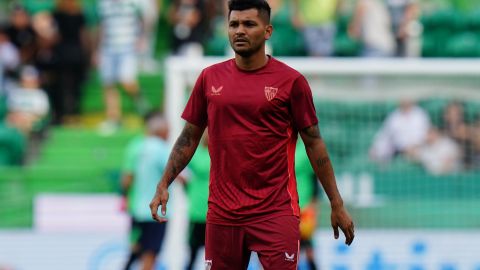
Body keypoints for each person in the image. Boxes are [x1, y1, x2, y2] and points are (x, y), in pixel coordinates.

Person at [149, 1, 354, 269]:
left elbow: (314, 144)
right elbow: (188, 137)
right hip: (223, 214)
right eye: (233, 24)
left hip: (276, 212)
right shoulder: (209, 78)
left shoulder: (291, 82)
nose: (239, 31)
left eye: (249, 24)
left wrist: (336, 203)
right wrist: (165, 182)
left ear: (267, 31)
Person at [121, 111, 170, 270]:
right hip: (156, 212)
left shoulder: (135, 146)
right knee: (151, 253)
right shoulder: (162, 149)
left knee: (135, 250)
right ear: (160, 130)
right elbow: (182, 175)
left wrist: (127, 198)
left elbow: (126, 180)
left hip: (136, 210)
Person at [96, 0, 149, 134]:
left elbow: (142, 21)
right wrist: (97, 49)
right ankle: (114, 119)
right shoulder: (103, 4)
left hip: (128, 47)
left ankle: (141, 104)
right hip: (108, 48)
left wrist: (142, 38)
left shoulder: (133, 3)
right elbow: (102, 26)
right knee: (108, 84)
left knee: (127, 80)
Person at [185, 132, 210, 270]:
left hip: (216, 212)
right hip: (197, 211)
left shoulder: (219, 153)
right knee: (193, 254)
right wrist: (188, 187)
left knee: (213, 255)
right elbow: (179, 172)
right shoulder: (195, 154)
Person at [295, 140, 320, 270]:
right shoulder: (280, 146)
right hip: (286, 207)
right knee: (292, 249)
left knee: (308, 247)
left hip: (305, 206)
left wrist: (314, 203)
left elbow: (314, 177)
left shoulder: (304, 150)